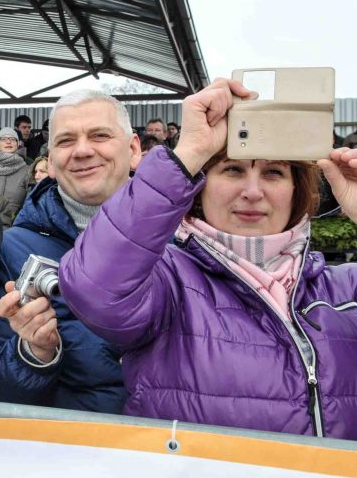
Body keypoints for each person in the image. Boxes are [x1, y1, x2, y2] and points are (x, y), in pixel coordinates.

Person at [60, 78, 357, 438]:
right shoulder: (168, 281)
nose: (252, 191)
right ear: (200, 188)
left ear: (297, 191)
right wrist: (188, 153)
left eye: (274, 172)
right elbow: (94, 288)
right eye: (232, 169)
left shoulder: (343, 287)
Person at [0, 89, 139, 414]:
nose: (82, 150)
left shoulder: (183, 237)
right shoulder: (12, 251)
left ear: (134, 149)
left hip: (175, 452)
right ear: (50, 162)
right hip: (74, 448)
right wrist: (34, 353)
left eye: (99, 135)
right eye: (66, 141)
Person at [0, 127, 29, 226]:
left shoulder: (28, 170)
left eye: (12, 139)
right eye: (4, 139)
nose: (8, 142)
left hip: (15, 226)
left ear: (18, 144)